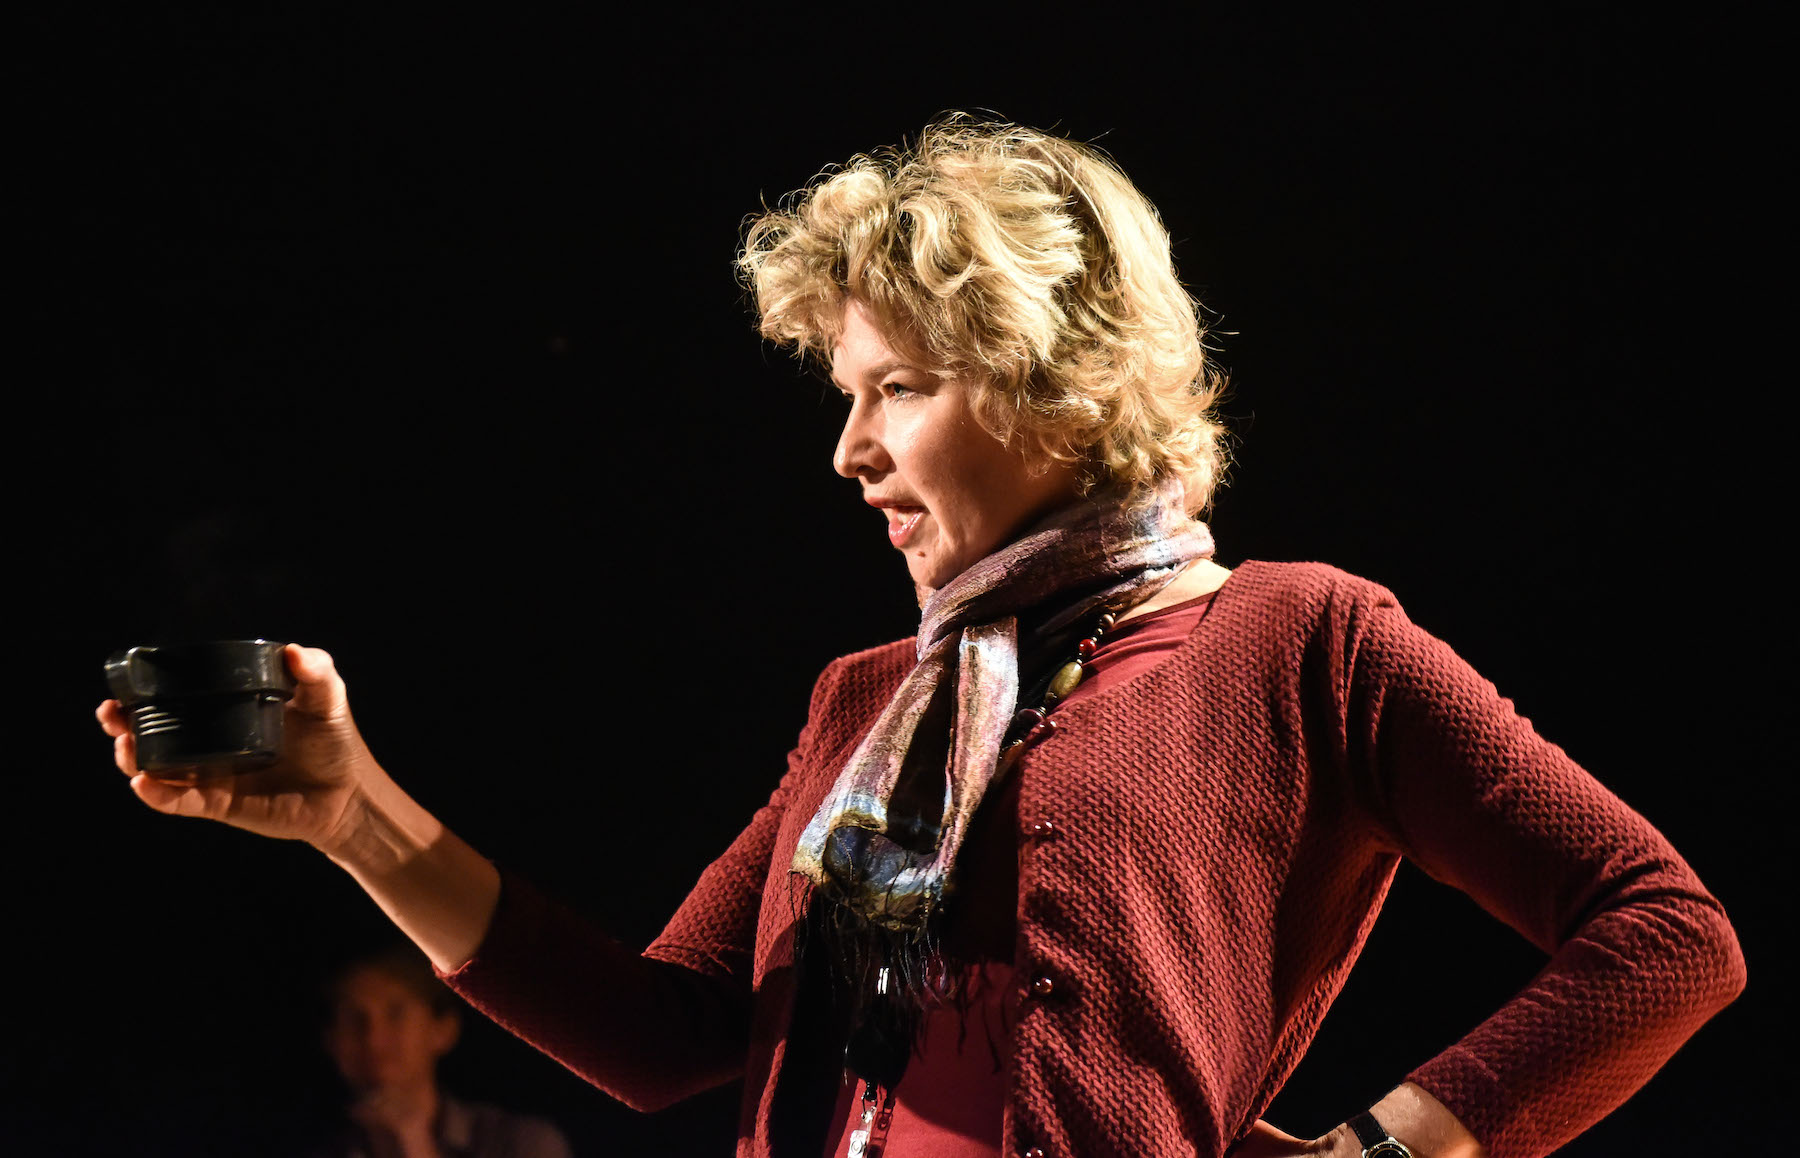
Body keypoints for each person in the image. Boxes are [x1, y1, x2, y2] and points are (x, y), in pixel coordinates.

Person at [98, 116, 1744, 1158]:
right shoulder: (871, 699)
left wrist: (1390, 1149)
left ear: (1061, 372)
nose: (850, 449)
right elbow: (661, 1037)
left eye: (898, 386)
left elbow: (1666, 933)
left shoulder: (1298, 638)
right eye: (845, 393)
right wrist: (350, 807)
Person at [313, 943, 574, 1158]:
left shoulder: (521, 1143)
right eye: (353, 1017)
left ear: (443, 1030)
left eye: (396, 1014)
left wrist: (413, 1144)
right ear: (330, 1040)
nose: (373, 1038)